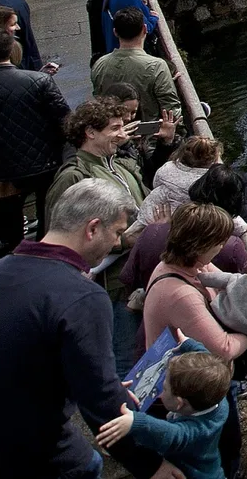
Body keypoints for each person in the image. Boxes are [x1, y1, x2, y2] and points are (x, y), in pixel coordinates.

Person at [0, 178, 169, 479]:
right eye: (117, 232)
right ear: (92, 228)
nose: (117, 243)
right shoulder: (83, 296)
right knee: (88, 464)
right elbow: (100, 401)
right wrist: (150, 466)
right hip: (31, 450)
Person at [47, 97, 174, 366]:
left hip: (142, 273)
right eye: (114, 128)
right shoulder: (73, 177)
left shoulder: (119, 165)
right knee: (125, 356)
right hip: (113, 284)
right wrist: (122, 242)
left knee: (151, 347)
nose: (122, 134)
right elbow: (58, 238)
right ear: (90, 132)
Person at [0, 27, 71, 257]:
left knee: (9, 234)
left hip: (0, 171)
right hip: (45, 165)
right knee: (48, 221)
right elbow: (65, 121)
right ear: (12, 50)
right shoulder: (39, 81)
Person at [95, 340, 232, 479]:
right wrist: (189, 344)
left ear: (179, 403)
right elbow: (212, 367)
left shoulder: (195, 432)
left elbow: (171, 434)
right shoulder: (217, 399)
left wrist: (135, 422)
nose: (160, 392)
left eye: (165, 388)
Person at [142, 203, 247, 360]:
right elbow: (224, 349)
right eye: (219, 242)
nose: (221, 247)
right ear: (200, 246)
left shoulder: (191, 265)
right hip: (181, 379)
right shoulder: (180, 295)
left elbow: (235, 288)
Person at [123, 166, 247, 306]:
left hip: (153, 303)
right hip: (201, 311)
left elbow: (128, 278)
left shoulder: (152, 231)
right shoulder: (232, 247)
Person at [92, 7, 182, 123]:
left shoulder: (99, 65)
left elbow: (98, 100)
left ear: (115, 32)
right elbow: (171, 108)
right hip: (149, 133)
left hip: (114, 134)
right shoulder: (157, 66)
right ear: (145, 29)